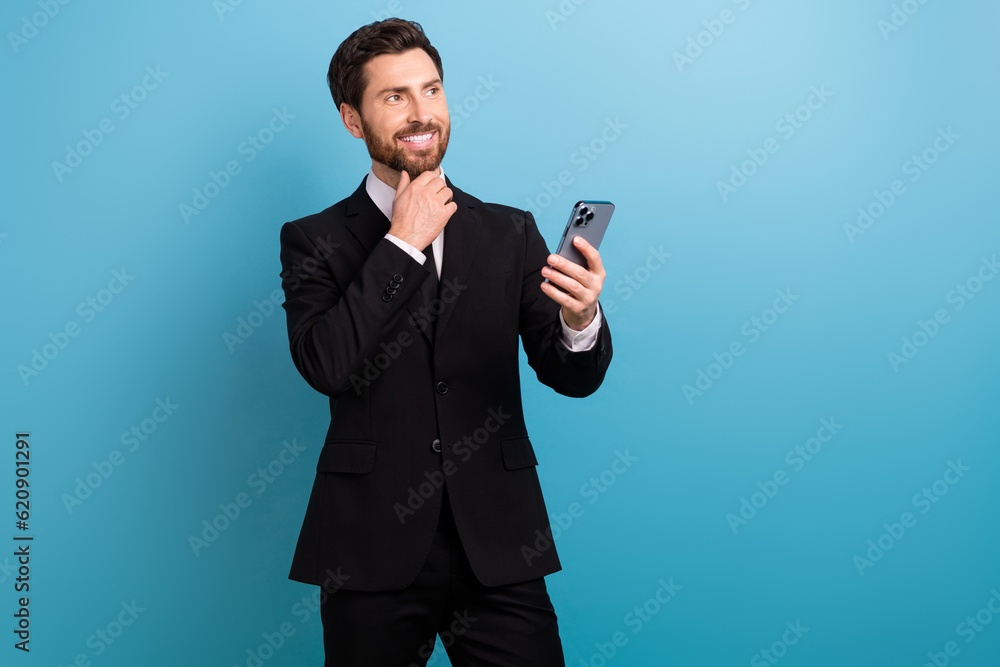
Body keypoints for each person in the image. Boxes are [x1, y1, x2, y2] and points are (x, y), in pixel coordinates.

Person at [278, 17, 613, 666]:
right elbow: (326, 363)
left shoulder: (508, 231)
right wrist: (402, 244)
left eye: (431, 89)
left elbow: (569, 374)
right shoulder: (313, 240)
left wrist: (581, 318)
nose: (420, 111)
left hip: (500, 541)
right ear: (353, 120)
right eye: (394, 96)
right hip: (370, 547)